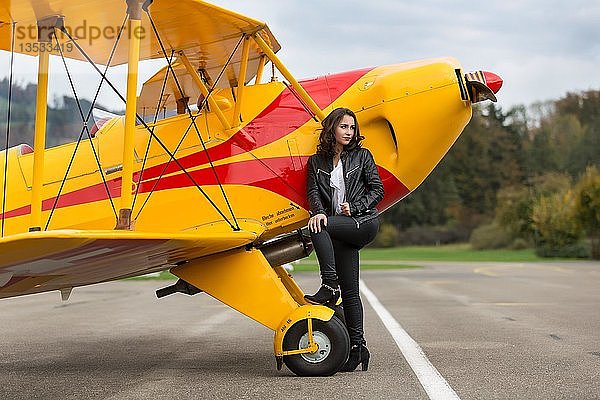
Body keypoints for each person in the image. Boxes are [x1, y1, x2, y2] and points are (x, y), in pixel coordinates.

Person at [305, 107, 384, 372]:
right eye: (344, 127)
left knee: (318, 227)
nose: (349, 132)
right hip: (340, 228)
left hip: (362, 222)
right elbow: (313, 192)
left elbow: (378, 190)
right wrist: (318, 211)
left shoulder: (362, 156)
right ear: (332, 129)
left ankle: (329, 285)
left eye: (352, 128)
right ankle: (358, 349)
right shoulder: (317, 162)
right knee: (351, 291)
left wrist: (357, 206)